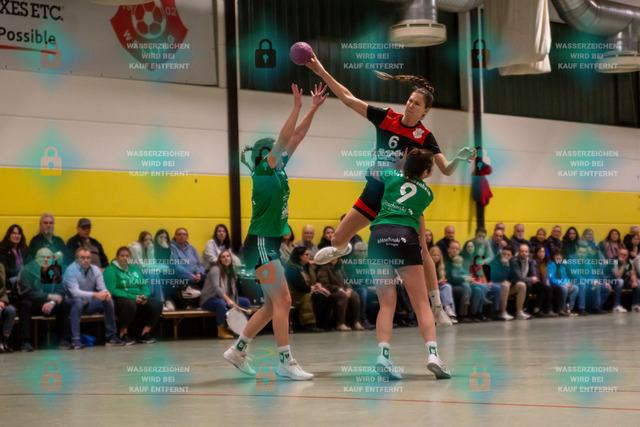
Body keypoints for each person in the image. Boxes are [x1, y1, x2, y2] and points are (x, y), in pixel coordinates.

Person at [307, 55, 475, 327]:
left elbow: (445, 169)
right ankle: (341, 248)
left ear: (425, 112)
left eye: (416, 103)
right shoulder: (387, 118)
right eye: (409, 100)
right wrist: (321, 70)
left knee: (422, 250)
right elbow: (348, 99)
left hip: (401, 201)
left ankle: (437, 306)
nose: (410, 105)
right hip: (375, 191)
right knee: (336, 239)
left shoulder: (425, 137)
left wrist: (459, 158)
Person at [223, 83, 328, 381]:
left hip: (265, 245)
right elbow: (284, 139)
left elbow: (296, 136)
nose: (283, 152)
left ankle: (237, 351)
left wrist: (312, 108)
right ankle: (285, 362)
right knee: (283, 301)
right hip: (260, 246)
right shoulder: (263, 172)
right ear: (266, 155)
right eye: (276, 151)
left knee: (272, 305)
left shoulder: (278, 169)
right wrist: (295, 107)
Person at [366, 148, 450, 380]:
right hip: (405, 236)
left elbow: (372, 171)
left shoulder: (391, 175)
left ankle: (383, 356)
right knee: (421, 303)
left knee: (386, 304)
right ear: (427, 172)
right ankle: (433, 355)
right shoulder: (427, 193)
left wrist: (390, 161)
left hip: (379, 235)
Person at [63, 248, 125, 348]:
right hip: (70, 304)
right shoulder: (71, 270)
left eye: (88, 258)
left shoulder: (95, 269)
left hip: (88, 304)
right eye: (83, 258)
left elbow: (102, 288)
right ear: (77, 259)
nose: (86, 260)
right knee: (78, 301)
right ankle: (75, 339)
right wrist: (96, 294)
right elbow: (75, 293)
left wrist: (106, 293)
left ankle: (111, 337)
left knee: (108, 300)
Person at [16, 248, 71, 351]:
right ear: (36, 258)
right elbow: (26, 292)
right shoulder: (27, 270)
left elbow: (61, 290)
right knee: (25, 304)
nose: (45, 259)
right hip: (33, 303)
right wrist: (48, 297)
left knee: (64, 304)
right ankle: (24, 342)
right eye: (42, 257)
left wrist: (52, 302)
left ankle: (64, 340)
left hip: (49, 304)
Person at [103, 247, 162, 344]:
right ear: (117, 257)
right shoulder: (110, 270)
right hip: (119, 298)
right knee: (130, 304)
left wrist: (144, 296)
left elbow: (143, 285)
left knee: (157, 304)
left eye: (127, 256)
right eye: (122, 256)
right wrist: (133, 297)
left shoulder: (134, 269)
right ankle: (123, 334)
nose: (125, 258)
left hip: (137, 296)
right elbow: (112, 290)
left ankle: (144, 334)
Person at [200, 250, 251, 339]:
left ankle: (243, 329)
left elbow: (233, 291)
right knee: (221, 303)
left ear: (231, 258)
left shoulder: (230, 271)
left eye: (228, 256)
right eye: (223, 257)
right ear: (220, 260)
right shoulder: (215, 269)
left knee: (245, 302)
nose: (226, 258)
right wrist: (228, 300)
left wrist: (235, 303)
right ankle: (221, 330)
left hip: (223, 298)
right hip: (209, 299)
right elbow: (216, 288)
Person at [285, 246, 327, 332]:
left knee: (324, 296)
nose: (309, 256)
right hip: (294, 294)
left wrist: (316, 286)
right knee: (313, 297)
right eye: (306, 254)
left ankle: (322, 324)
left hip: (305, 291)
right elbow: (299, 287)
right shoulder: (291, 270)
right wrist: (313, 288)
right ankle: (308, 324)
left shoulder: (305, 267)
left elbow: (312, 281)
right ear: (300, 256)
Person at [316, 257, 363, 331]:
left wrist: (349, 289)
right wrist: (340, 289)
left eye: (336, 257)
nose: (334, 258)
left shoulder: (340, 268)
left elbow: (347, 281)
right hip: (330, 293)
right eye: (332, 257)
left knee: (354, 295)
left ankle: (356, 322)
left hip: (342, 291)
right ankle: (340, 323)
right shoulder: (323, 268)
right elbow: (325, 284)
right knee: (342, 296)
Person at [511, 244, 553, 318]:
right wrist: (530, 279)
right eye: (522, 251)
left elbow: (534, 275)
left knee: (544, 287)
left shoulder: (531, 261)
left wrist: (532, 279)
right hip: (516, 283)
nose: (524, 253)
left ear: (528, 252)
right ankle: (524, 309)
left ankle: (537, 309)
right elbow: (518, 277)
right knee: (527, 285)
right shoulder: (515, 261)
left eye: (526, 251)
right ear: (519, 252)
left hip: (528, 281)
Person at [343, 242, 377, 329]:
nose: (362, 253)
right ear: (355, 252)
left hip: (369, 287)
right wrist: (370, 288)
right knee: (363, 291)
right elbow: (353, 282)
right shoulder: (349, 264)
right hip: (355, 288)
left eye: (364, 251)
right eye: (360, 251)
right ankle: (363, 320)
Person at [171, 228, 206, 294]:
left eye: (184, 234)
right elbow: (177, 266)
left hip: (195, 274)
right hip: (182, 274)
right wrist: (191, 275)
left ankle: (203, 297)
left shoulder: (192, 248)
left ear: (187, 237)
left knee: (206, 277)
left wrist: (199, 273)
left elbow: (199, 264)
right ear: (175, 236)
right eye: (179, 234)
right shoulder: (172, 248)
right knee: (190, 279)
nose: (182, 236)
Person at [428, 247, 456, 322]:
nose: (436, 257)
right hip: (429, 288)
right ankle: (446, 311)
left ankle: (448, 309)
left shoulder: (440, 266)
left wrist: (442, 281)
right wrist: (437, 282)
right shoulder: (427, 266)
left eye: (438, 255)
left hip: (438, 287)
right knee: (442, 291)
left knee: (447, 287)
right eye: (434, 255)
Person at [488, 247, 516, 320]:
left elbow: (515, 276)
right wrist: (505, 266)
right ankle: (502, 312)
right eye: (504, 254)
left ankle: (519, 311)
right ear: (501, 254)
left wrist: (511, 282)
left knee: (521, 285)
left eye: (508, 255)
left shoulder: (512, 262)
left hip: (506, 284)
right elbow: (498, 277)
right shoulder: (495, 262)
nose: (506, 256)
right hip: (493, 283)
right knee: (505, 286)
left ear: (511, 256)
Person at [547, 249, 577, 316]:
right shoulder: (550, 265)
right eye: (557, 255)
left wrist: (568, 283)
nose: (559, 257)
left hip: (562, 283)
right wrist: (563, 283)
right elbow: (551, 279)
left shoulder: (562, 265)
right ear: (553, 256)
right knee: (564, 288)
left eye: (560, 255)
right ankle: (562, 309)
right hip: (553, 284)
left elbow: (565, 277)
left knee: (575, 288)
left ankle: (570, 309)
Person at [0, 224, 27, 294]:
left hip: (23, 277)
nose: (17, 236)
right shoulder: (2, 249)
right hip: (9, 280)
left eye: (19, 234)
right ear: (9, 235)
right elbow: (5, 270)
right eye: (14, 233)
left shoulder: (24, 248)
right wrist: (22, 272)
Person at [608, 248, 636, 312]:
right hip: (610, 281)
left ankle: (636, 305)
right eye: (621, 254)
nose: (623, 256)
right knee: (620, 281)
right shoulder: (613, 261)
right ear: (618, 254)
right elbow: (617, 276)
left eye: (625, 255)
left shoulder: (627, 261)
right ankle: (616, 306)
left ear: (627, 256)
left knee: (638, 282)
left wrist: (634, 282)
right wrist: (623, 265)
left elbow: (632, 274)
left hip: (621, 281)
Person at [0, 263, 16, 352]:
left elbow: (3, 288)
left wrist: (2, 300)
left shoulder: (0, 266)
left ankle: (4, 341)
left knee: (11, 311)